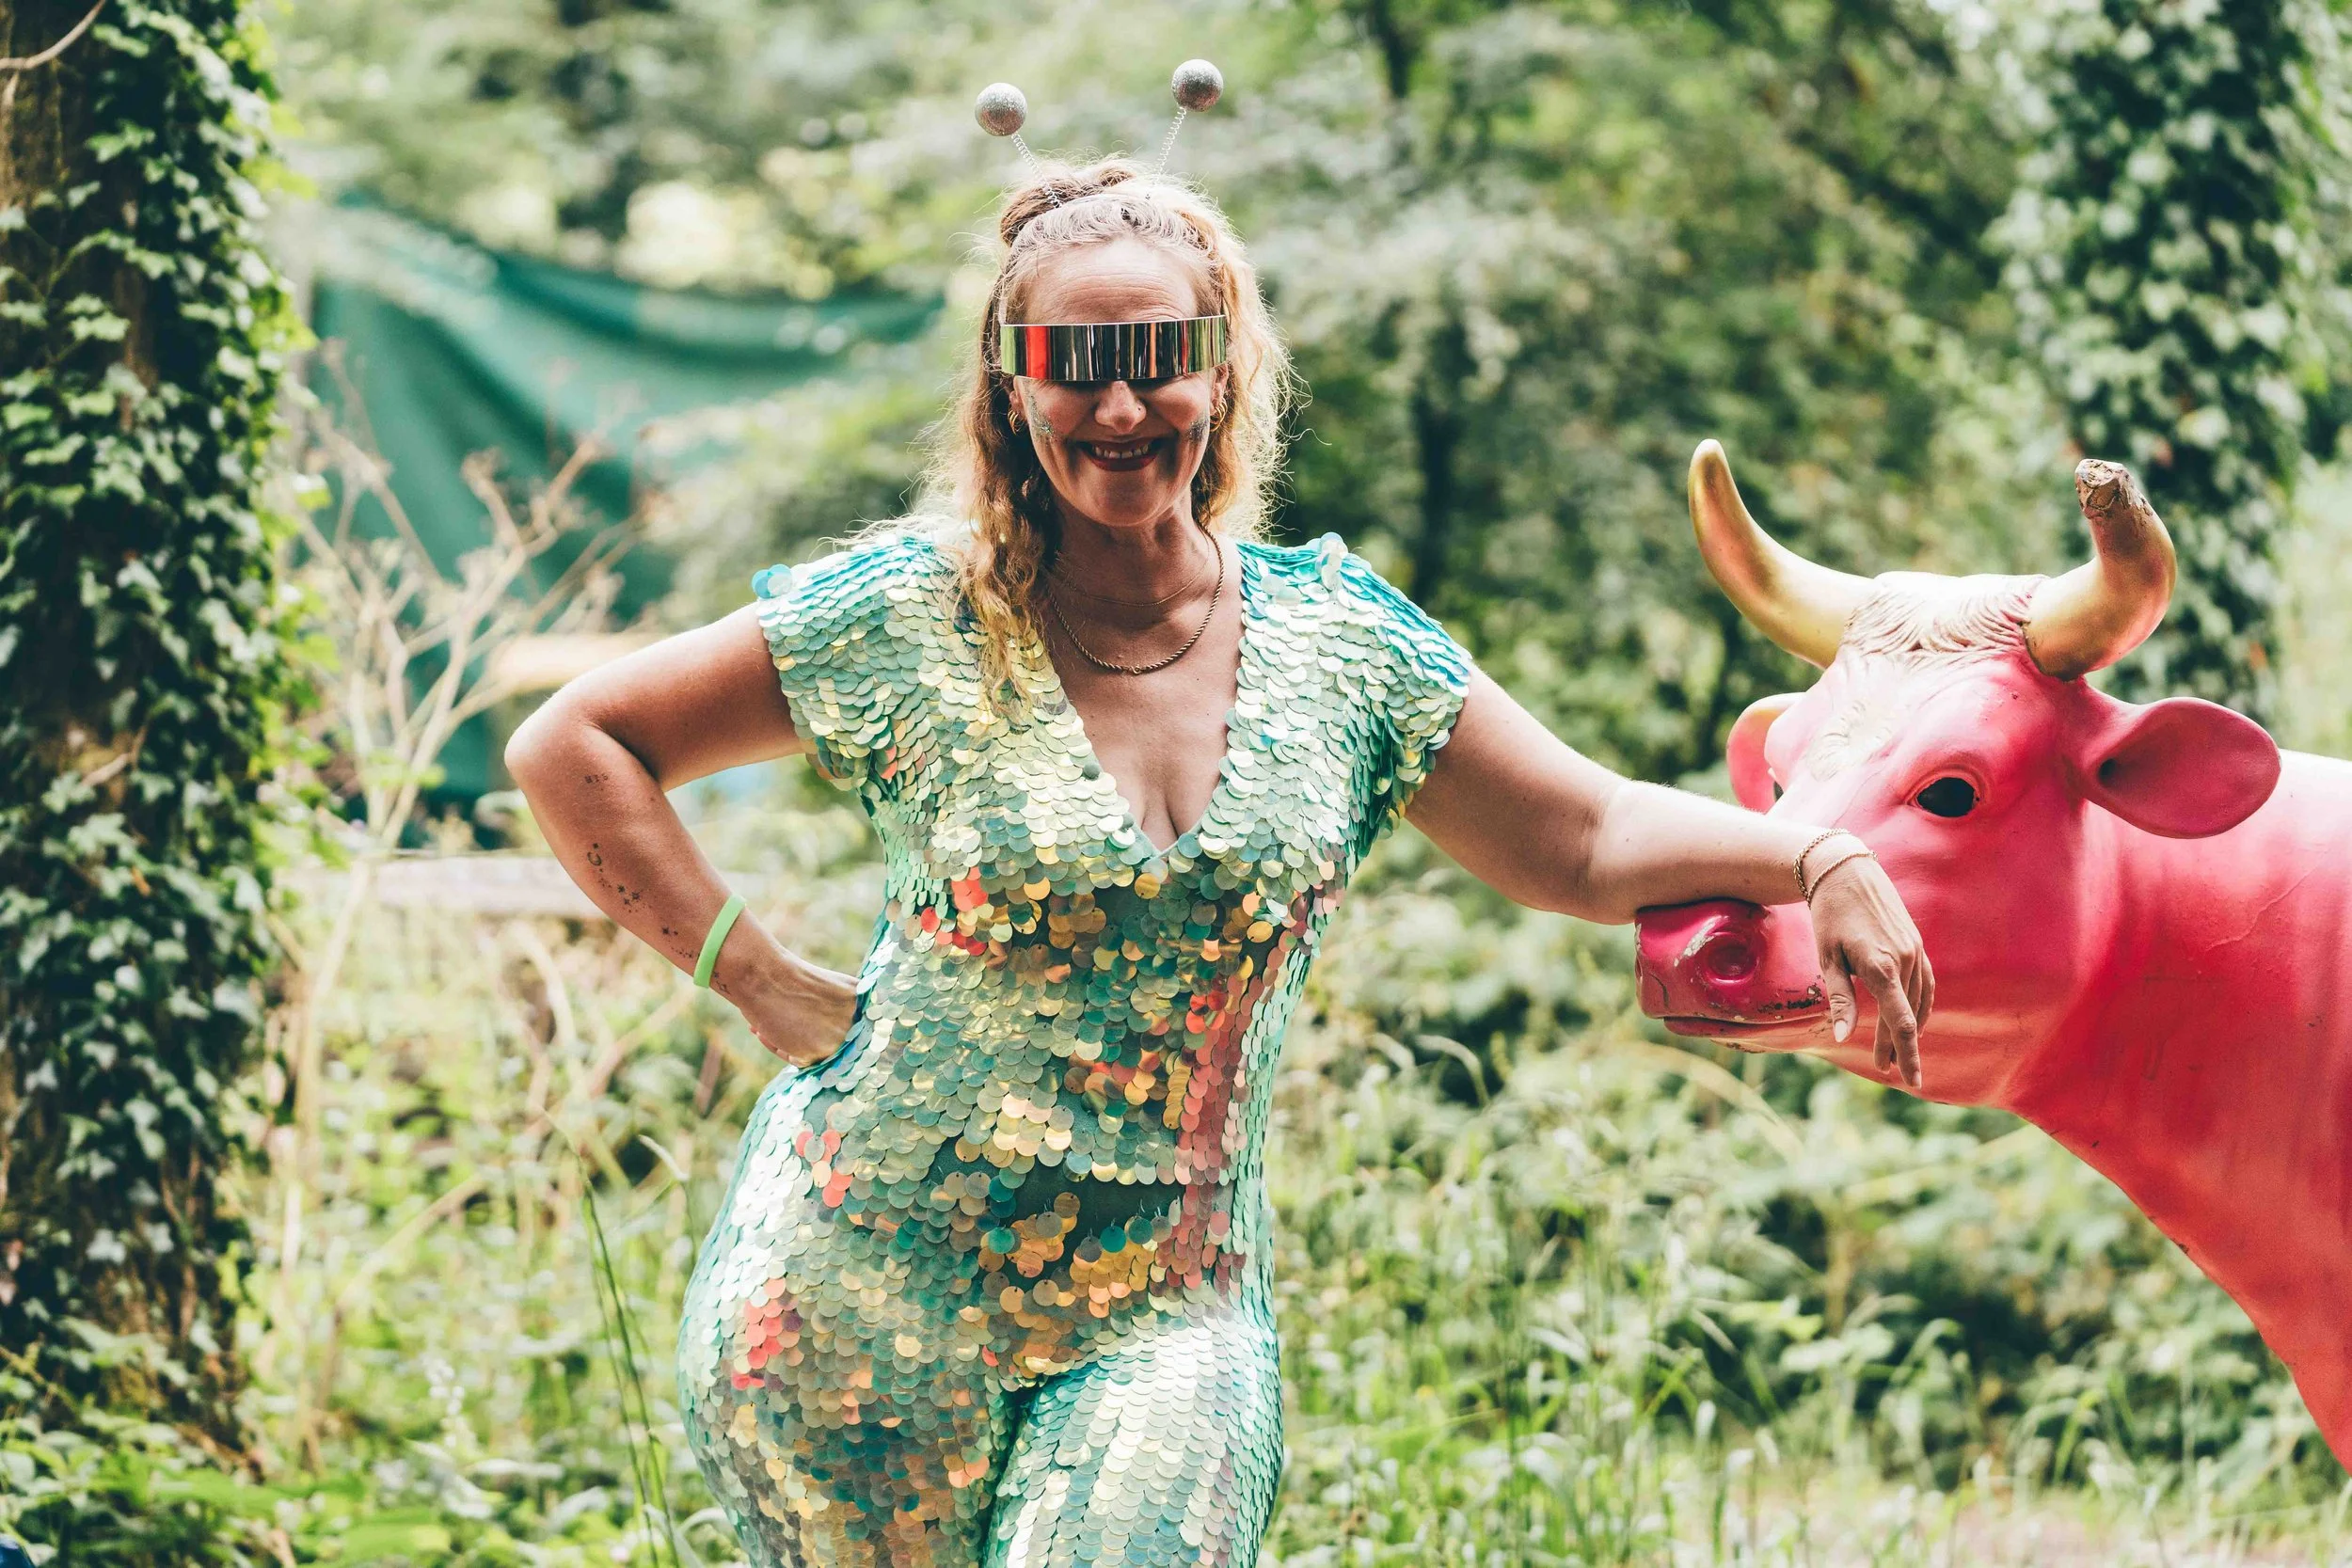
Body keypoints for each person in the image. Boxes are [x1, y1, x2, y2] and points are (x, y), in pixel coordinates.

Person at [505, 158, 1931, 1568]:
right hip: (856, 1295)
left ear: (1223, 368)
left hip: (1168, 1316)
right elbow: (575, 744)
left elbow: (1587, 835)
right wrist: (754, 977)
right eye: (1075, 364)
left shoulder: (1343, 642)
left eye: (1160, 357)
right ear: (1013, 385)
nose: (1121, 406)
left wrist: (1815, 853)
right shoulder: (908, 613)